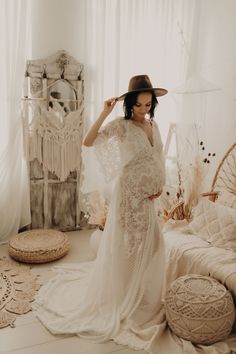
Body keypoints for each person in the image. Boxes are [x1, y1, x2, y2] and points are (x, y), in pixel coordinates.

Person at [33, 74, 168, 352]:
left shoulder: (154, 125)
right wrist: (104, 113)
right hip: (128, 196)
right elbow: (88, 141)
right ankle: (122, 295)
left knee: (153, 244)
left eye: (147, 105)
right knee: (127, 247)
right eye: (139, 105)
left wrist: (160, 185)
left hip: (147, 199)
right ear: (129, 104)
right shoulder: (121, 126)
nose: (143, 110)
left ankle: (143, 294)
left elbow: (158, 158)